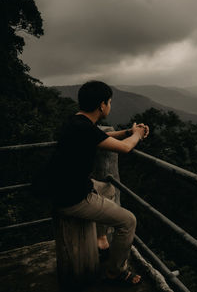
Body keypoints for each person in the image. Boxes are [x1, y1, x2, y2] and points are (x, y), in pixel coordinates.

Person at [50, 80, 149, 285]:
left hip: (63, 188)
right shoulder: (84, 128)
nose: (110, 106)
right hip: (73, 198)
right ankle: (115, 273)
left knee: (107, 188)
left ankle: (101, 241)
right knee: (128, 221)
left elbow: (100, 137)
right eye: (110, 102)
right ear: (102, 105)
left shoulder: (76, 122)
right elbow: (124, 149)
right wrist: (137, 135)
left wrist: (127, 132)